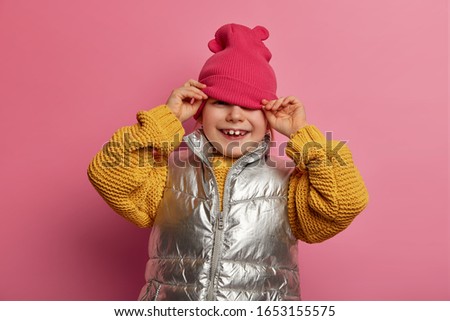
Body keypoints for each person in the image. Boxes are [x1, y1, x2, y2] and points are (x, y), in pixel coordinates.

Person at [87, 23, 369, 301]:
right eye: (221, 102)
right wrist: (167, 118)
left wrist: (301, 133)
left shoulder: (289, 183)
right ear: (199, 110)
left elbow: (346, 202)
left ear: (269, 116)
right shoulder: (167, 173)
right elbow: (106, 173)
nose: (235, 115)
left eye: (249, 105)